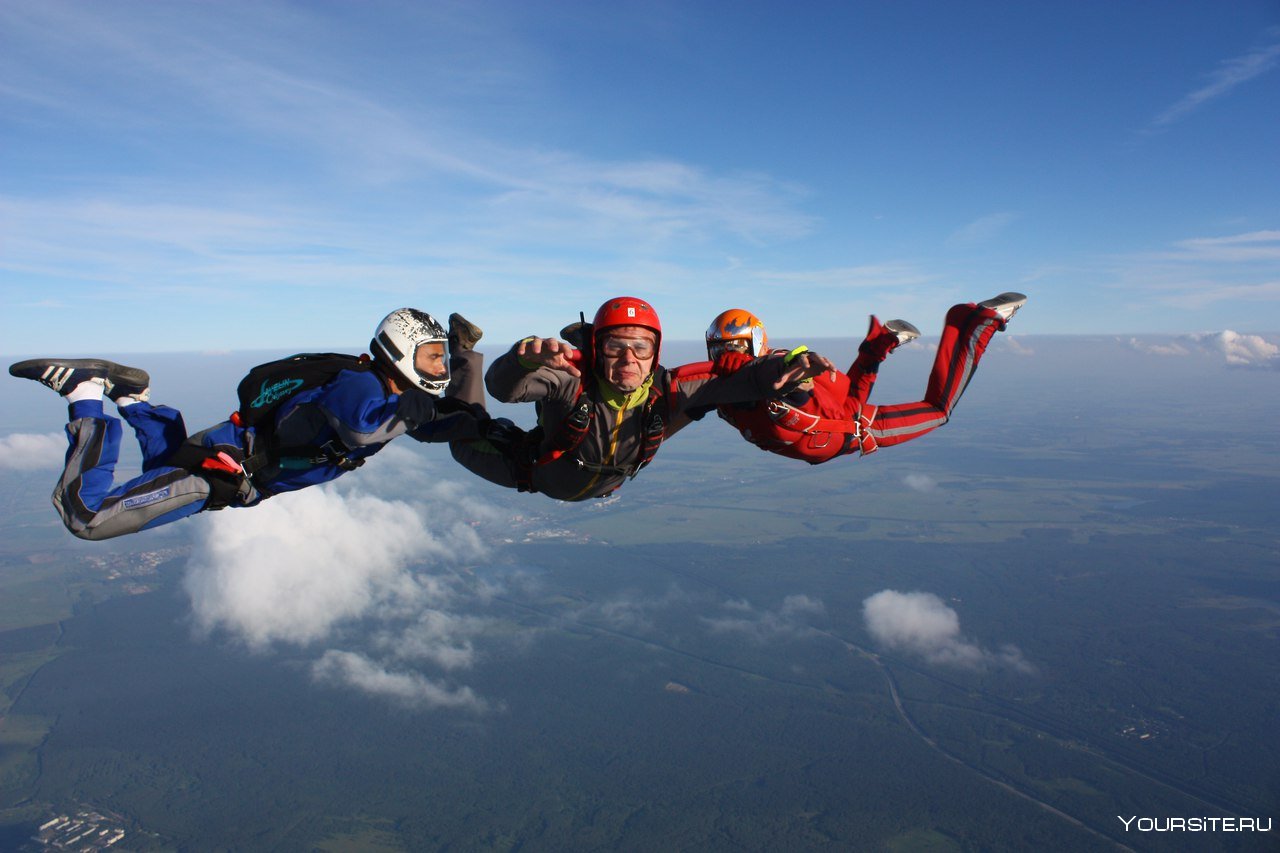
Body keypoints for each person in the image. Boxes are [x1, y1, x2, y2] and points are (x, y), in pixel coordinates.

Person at [9, 309, 494, 540]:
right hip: (221, 471)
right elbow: (361, 433)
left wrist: (473, 418)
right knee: (87, 517)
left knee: (160, 465)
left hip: (227, 460)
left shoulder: (390, 397)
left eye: (440, 359)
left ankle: (134, 399)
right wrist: (426, 410)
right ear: (397, 352)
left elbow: (419, 425)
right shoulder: (362, 387)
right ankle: (86, 394)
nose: (439, 369)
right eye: (431, 358)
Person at [445, 296, 835, 500]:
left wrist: (783, 370)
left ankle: (591, 333)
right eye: (616, 346)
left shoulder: (669, 387)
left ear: (656, 351)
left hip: (598, 477)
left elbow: (738, 377)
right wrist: (521, 359)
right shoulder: (571, 379)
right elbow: (503, 389)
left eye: (641, 347)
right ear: (599, 350)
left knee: (692, 401)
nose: (630, 358)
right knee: (463, 436)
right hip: (534, 471)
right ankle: (463, 349)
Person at [701, 293, 1027, 463]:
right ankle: (879, 344)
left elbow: (793, 380)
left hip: (855, 428)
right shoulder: (716, 390)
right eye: (719, 348)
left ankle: (972, 325)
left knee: (939, 410)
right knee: (849, 402)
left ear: (756, 343)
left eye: (734, 347)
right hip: (838, 418)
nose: (725, 355)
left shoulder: (775, 376)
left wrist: (792, 370)